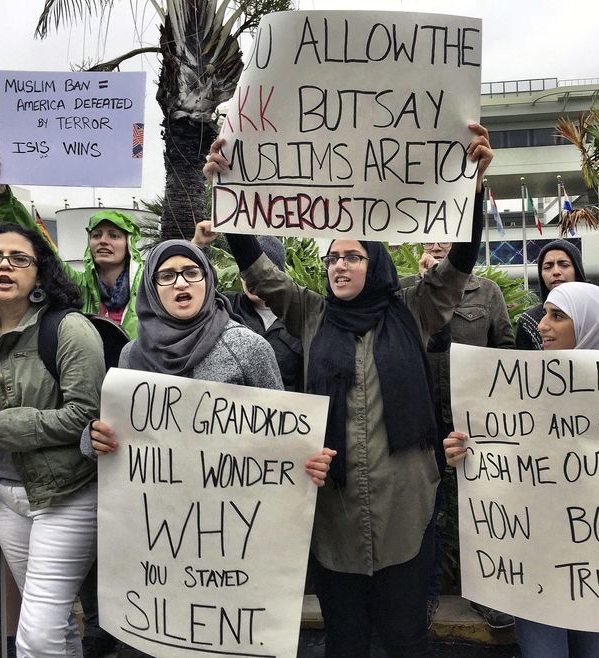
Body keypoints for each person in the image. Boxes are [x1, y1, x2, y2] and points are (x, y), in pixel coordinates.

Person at [203, 123, 492, 657]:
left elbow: (459, 264)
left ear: (375, 264)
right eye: (334, 257)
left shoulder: (414, 309)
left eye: (353, 256)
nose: (340, 264)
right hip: (334, 513)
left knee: (406, 638)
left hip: (405, 503)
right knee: (347, 640)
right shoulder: (312, 315)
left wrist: (473, 187)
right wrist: (228, 194)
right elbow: (261, 273)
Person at [81, 240, 333, 658]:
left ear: (208, 279)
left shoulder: (248, 347)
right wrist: (94, 439)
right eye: (167, 275)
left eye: (191, 272)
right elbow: (113, 437)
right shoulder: (131, 353)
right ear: (152, 287)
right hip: (158, 541)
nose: (180, 283)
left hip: (231, 538)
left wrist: (307, 459)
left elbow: (283, 434)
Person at [444, 281, 599, 657]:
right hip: (536, 559)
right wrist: (464, 451)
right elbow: (500, 458)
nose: (541, 325)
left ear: (591, 323)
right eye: (545, 313)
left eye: (557, 316)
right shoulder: (519, 389)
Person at [0, 224, 105, 656]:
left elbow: (84, 416)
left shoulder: (69, 330)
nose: (5, 266)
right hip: (4, 493)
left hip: (65, 494)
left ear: (41, 273)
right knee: (52, 624)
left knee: (36, 632)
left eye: (20, 259)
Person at [401, 241, 515, 629]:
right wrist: (425, 286)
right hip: (420, 420)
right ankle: (426, 595)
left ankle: (488, 593)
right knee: (424, 511)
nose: (437, 244)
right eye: (432, 236)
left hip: (474, 424)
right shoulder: (405, 290)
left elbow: (506, 348)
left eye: (446, 237)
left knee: (480, 508)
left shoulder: (487, 292)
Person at [0, 150, 144, 338]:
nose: (103, 241)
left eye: (114, 236)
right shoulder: (77, 286)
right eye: (96, 235)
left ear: (129, 243)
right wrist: (1, 194)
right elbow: (35, 242)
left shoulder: (147, 285)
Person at [214, 235, 303, 392]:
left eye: (261, 273)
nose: (252, 280)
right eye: (246, 273)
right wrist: (197, 245)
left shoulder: (301, 316)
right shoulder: (225, 306)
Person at [515, 240, 586, 349]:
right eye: (548, 267)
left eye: (564, 265)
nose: (556, 272)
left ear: (577, 271)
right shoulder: (528, 321)